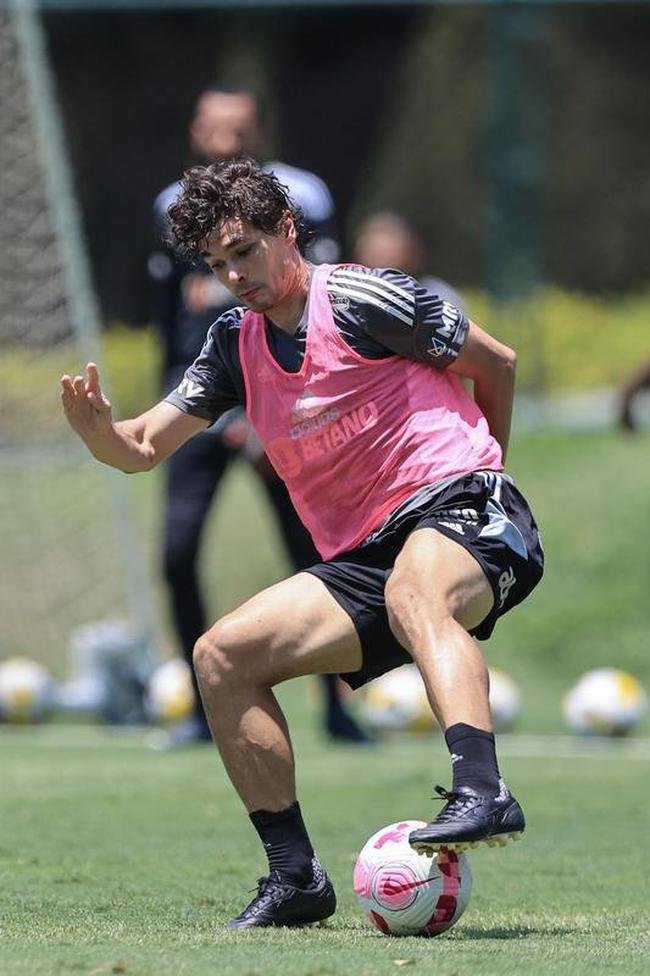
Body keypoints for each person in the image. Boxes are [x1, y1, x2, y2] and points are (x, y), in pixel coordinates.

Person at [61, 159, 544, 930]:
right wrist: (100, 436)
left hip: (463, 506)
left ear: (287, 230)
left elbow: (497, 364)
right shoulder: (233, 345)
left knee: (414, 590)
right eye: (218, 265)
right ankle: (295, 878)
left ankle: (483, 789)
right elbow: (145, 445)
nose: (235, 275)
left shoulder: (361, 296)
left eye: (244, 250)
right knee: (222, 658)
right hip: (366, 556)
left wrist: (488, 475)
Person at [149, 84, 365, 745]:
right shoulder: (169, 209)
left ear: (258, 134)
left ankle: (338, 707)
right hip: (202, 405)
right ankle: (201, 705)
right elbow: (169, 322)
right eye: (214, 131)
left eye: (238, 131)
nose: (226, 142)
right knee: (177, 553)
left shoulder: (305, 195)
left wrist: (286, 407)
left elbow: (319, 308)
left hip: (286, 404)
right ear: (195, 133)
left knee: (317, 554)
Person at [353, 210, 465, 309]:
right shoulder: (347, 295)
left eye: (389, 246)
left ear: (411, 250)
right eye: (373, 248)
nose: (380, 254)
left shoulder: (437, 297)